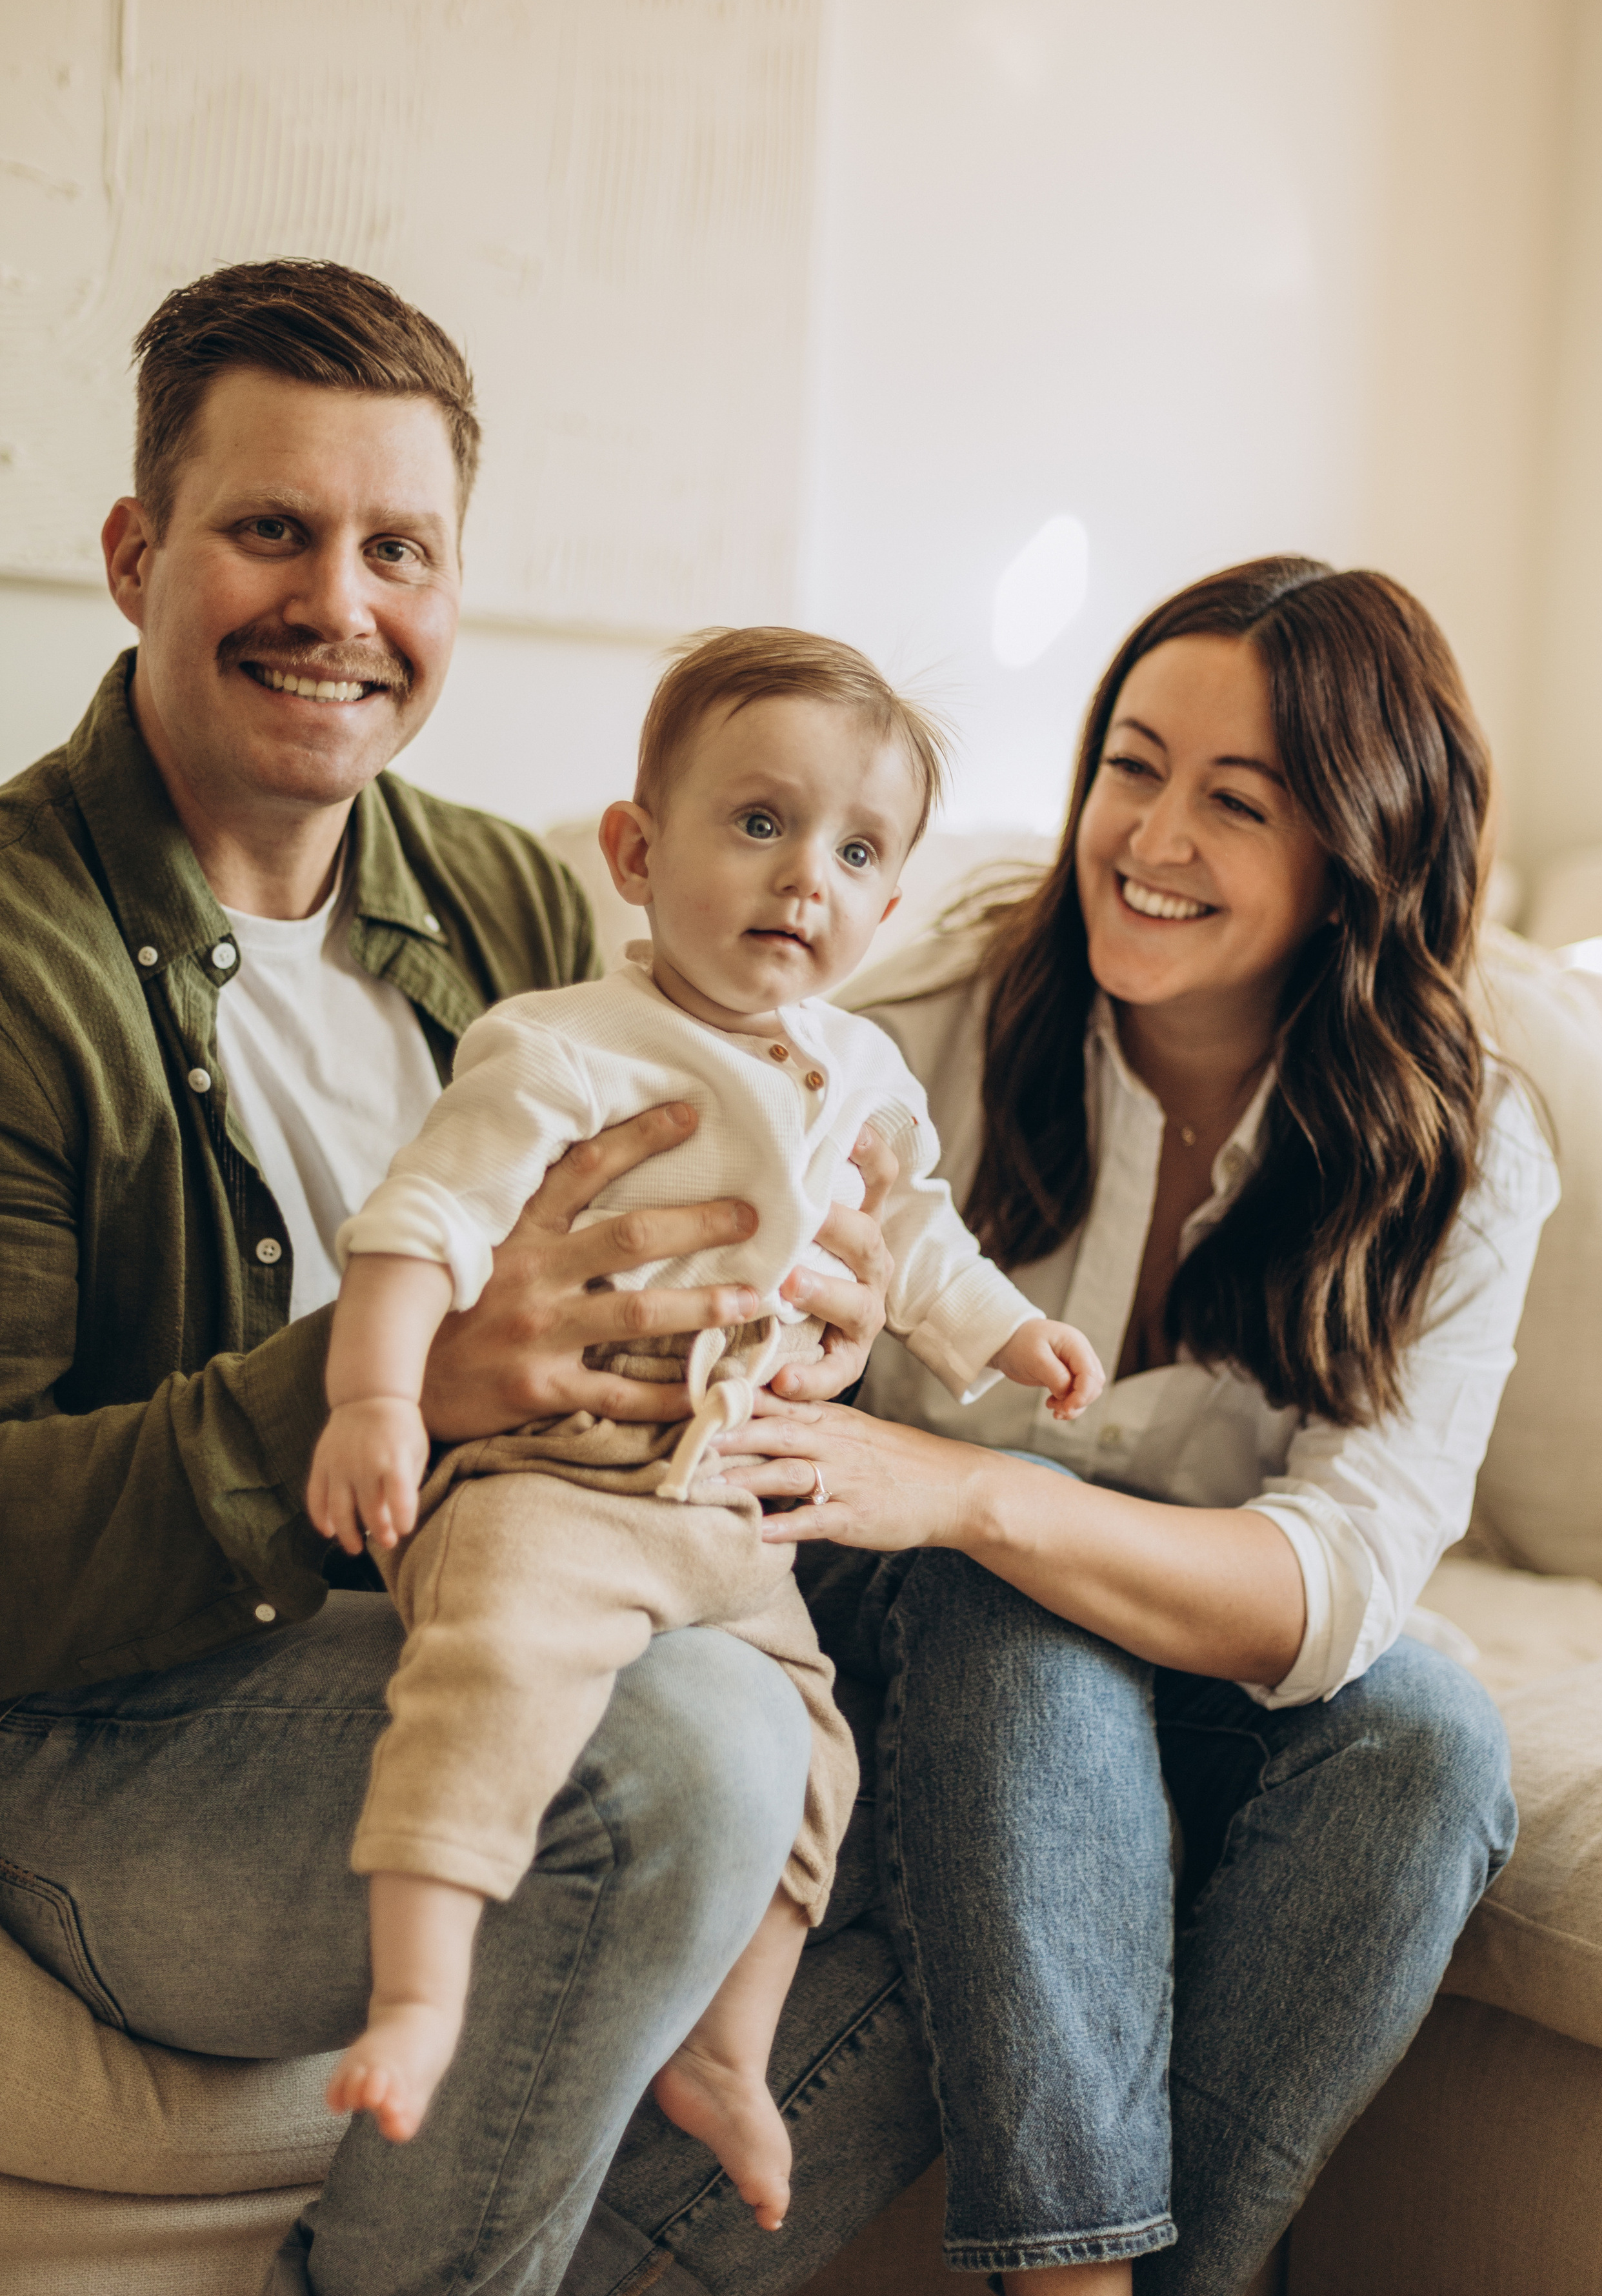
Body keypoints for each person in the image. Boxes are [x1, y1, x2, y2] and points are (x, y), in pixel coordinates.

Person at [0, 259, 917, 2296]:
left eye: (397, 547)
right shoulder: (17, 956)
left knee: (969, 1670)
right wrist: (391, 1371)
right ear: (136, 552)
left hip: (516, 1577)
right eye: (271, 530)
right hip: (112, 1725)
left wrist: (812, 1296)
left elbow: (770, 1129)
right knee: (676, 1752)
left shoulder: (518, 903)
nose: (341, 602)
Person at [713, 558, 1560, 2296]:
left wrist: (981, 1491)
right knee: (1018, 1608)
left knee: (1429, 1738)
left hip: (1169, 1661)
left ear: (1360, 854)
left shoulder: (1461, 1146)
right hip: (899, 1635)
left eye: (1236, 803)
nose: (1150, 835)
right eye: (1130, 765)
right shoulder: (912, 1017)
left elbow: (1337, 1587)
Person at [307, 625, 1101, 2210]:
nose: (803, 875)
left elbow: (920, 1237)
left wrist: (1008, 1332)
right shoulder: (563, 1046)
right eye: (759, 823)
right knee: (495, 1676)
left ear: (888, 903)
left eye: (855, 850)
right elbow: (423, 1225)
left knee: (816, 1749)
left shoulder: (862, 1068)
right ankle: (419, 1989)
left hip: (719, 1501)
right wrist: (375, 1397)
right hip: (549, 1477)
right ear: (633, 848)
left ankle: (726, 2051)